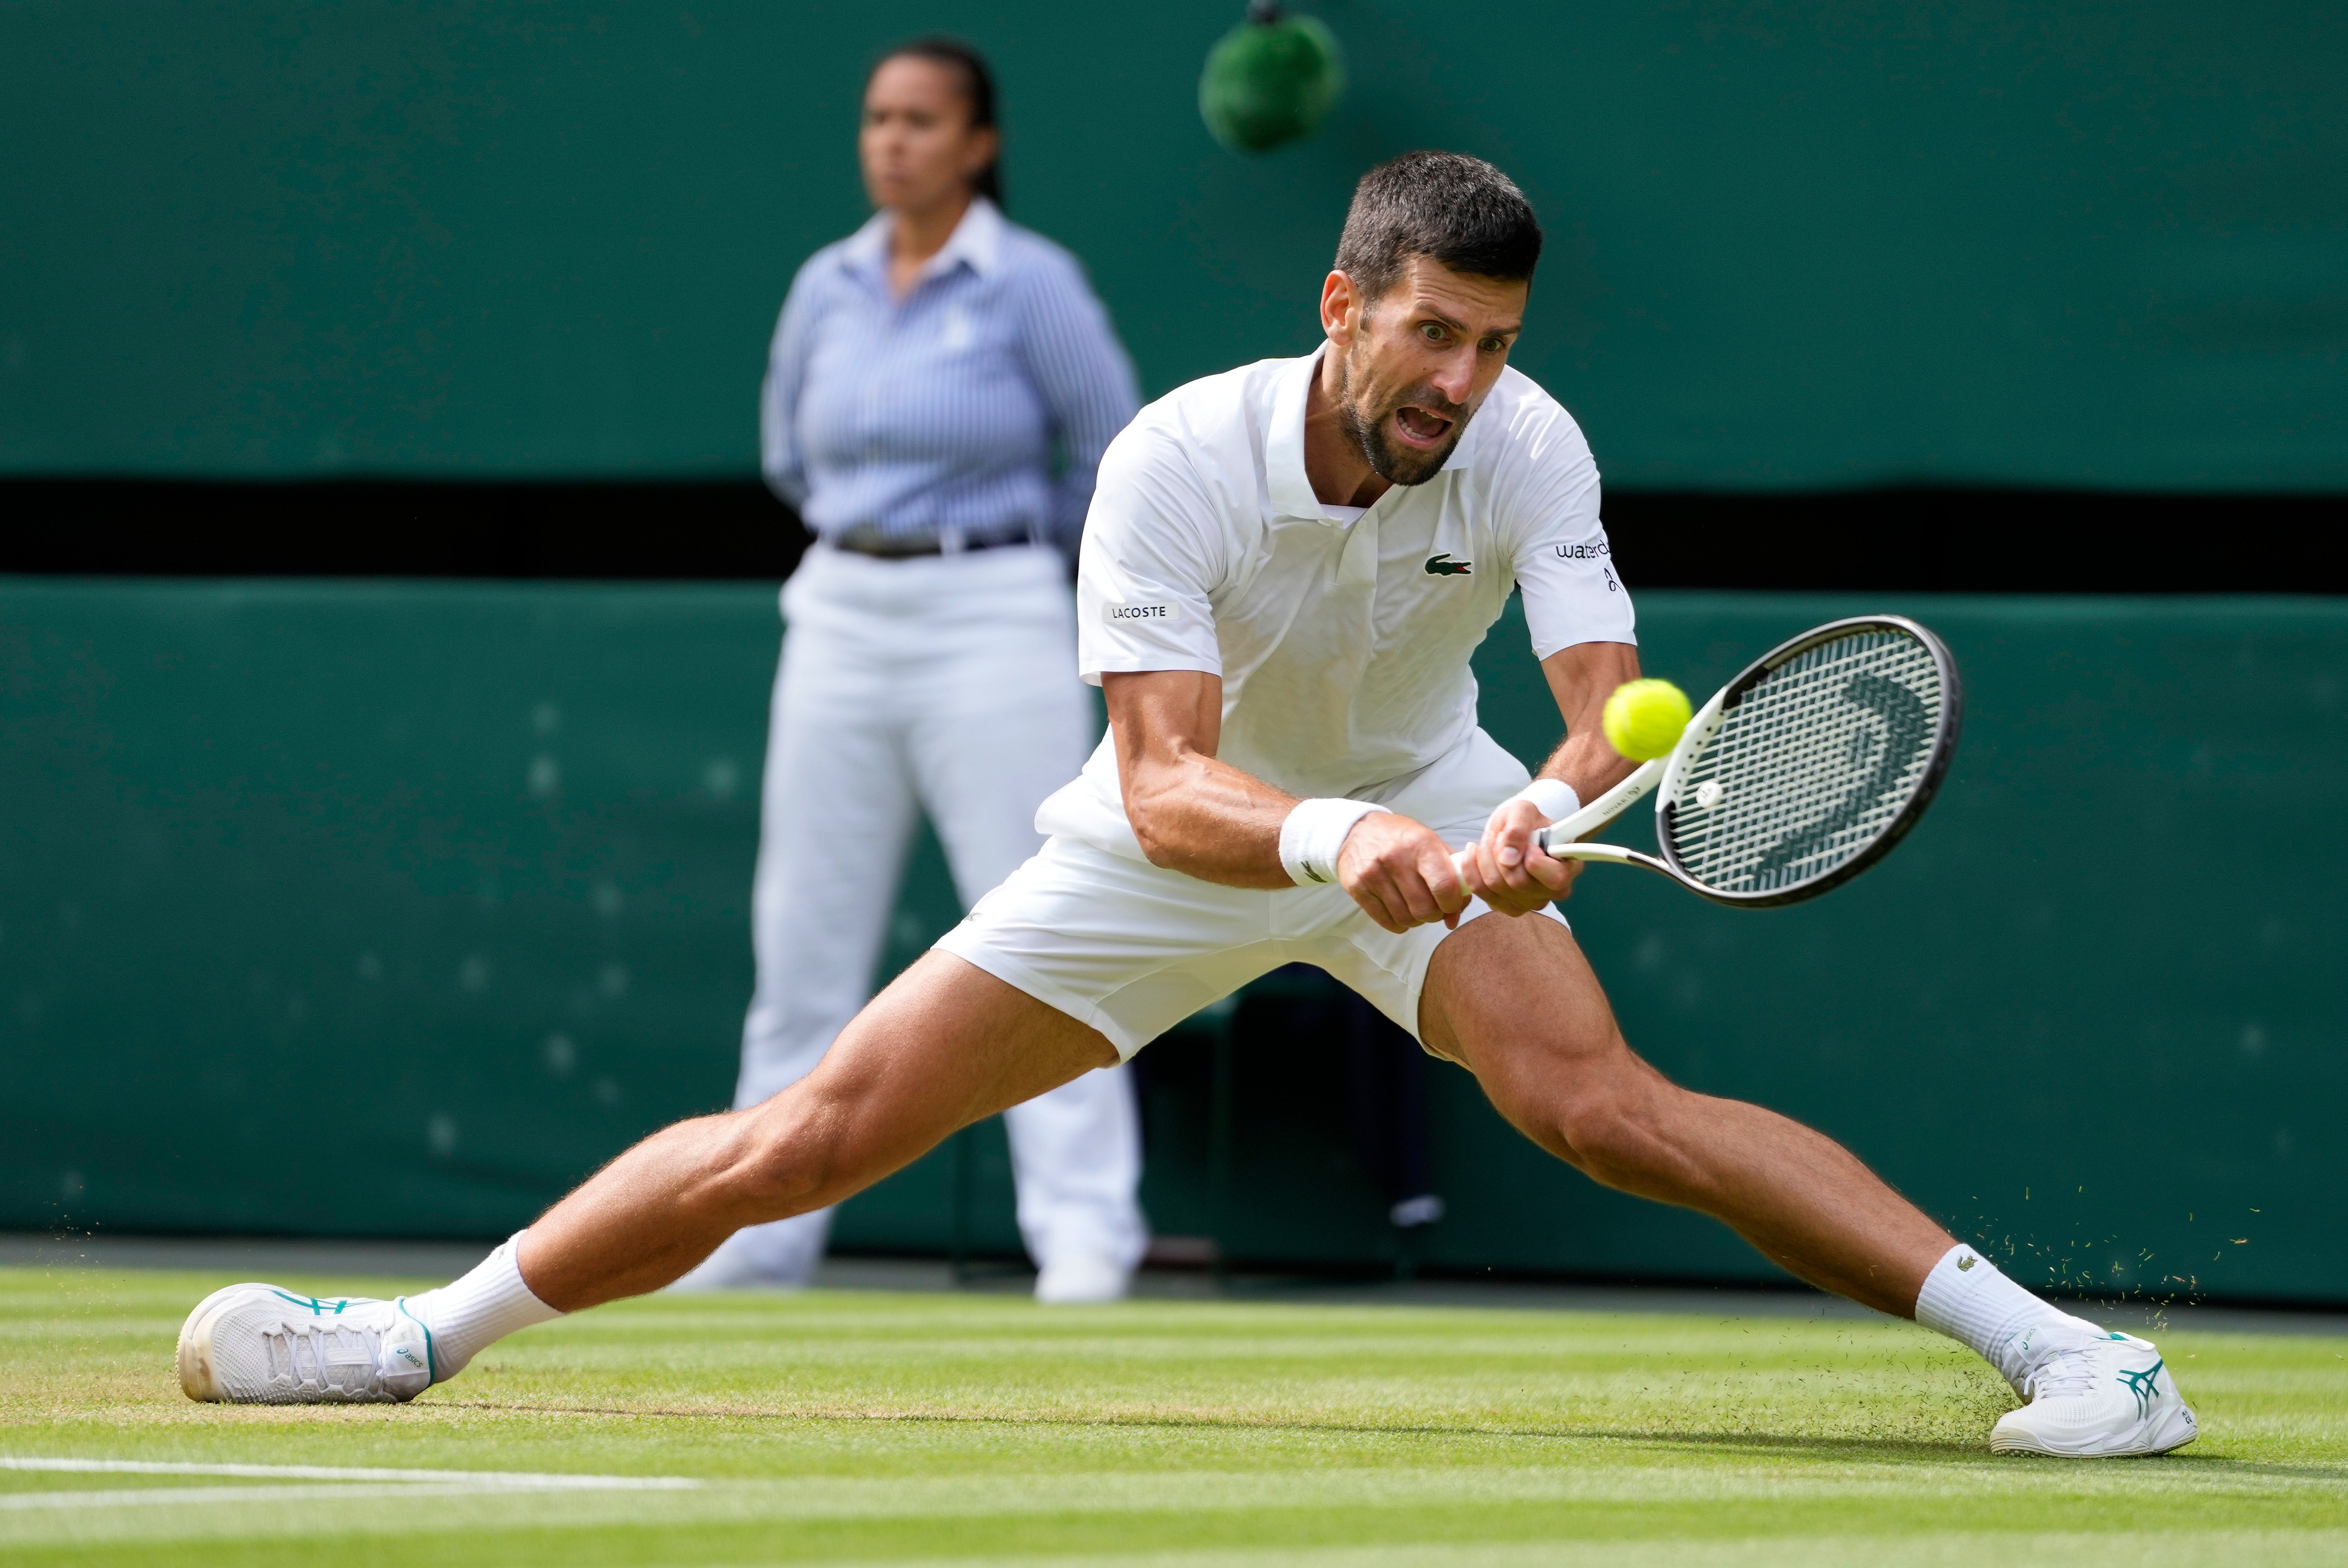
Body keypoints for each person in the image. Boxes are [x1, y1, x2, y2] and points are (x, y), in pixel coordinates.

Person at [176, 152, 2195, 1459]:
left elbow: (1606, 716)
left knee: (1608, 1110)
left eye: (1492, 345)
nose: (1462, 379)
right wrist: (1333, 844)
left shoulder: (1527, 448)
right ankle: (412, 1337)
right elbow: (1159, 772)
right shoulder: (1172, 461)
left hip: (1425, 785)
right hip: (1195, 835)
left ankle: (2072, 1357)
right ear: (1342, 302)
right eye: (1430, 332)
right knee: (815, 1132)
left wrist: (1527, 813)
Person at [671, 38, 1149, 1305]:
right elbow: (789, 454)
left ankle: (1087, 1237)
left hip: (993, 608)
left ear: (977, 144)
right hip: (837, 608)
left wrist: (1003, 553)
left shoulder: (1031, 281)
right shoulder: (823, 284)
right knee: (803, 940)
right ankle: (760, 1233)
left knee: (1050, 925)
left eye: (922, 121)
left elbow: (1115, 450)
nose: (893, 141)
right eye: (878, 118)